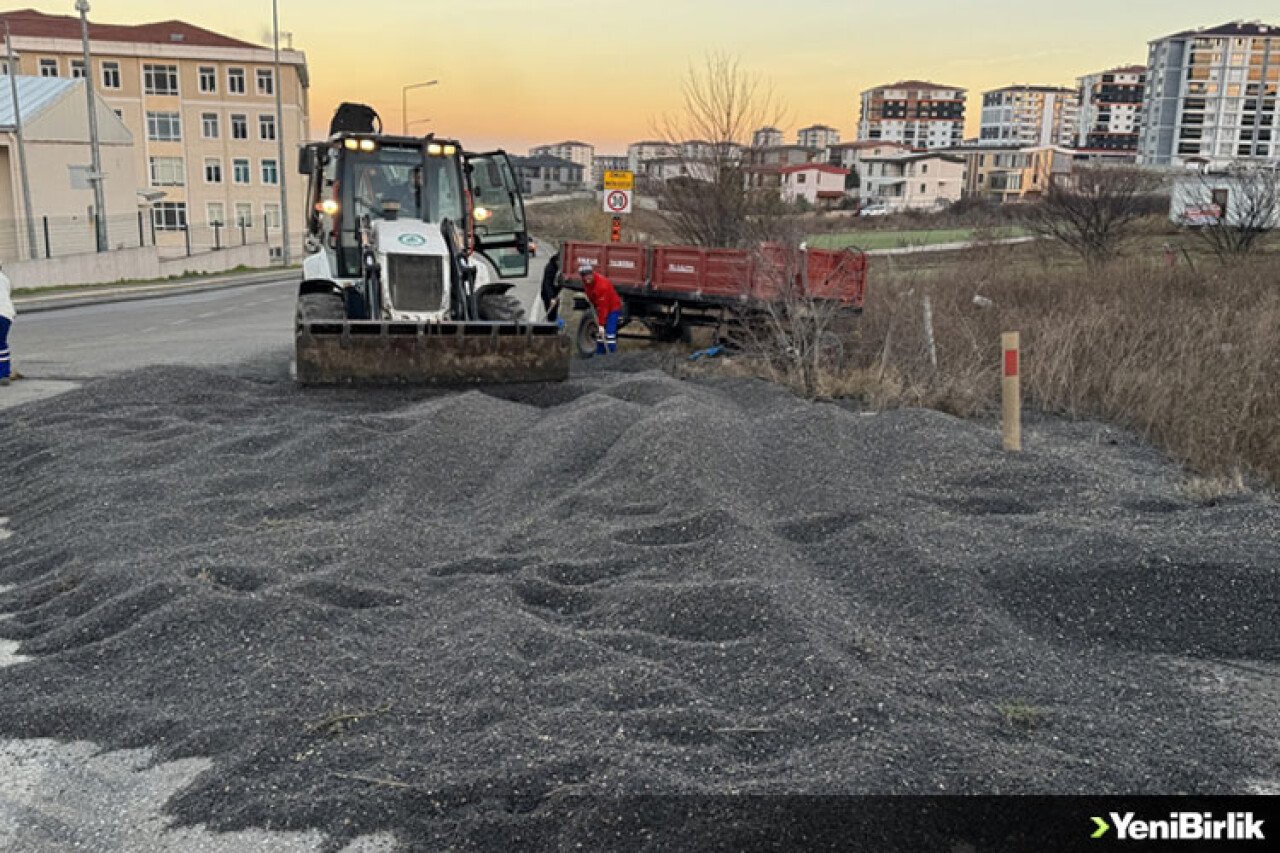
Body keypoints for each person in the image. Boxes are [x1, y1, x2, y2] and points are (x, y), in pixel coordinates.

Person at [580, 262, 621, 354]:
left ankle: (611, 356)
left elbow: (604, 307)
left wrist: (602, 324)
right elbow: (591, 294)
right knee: (599, 335)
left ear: (592, 273)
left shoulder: (601, 285)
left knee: (609, 334)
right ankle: (599, 356)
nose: (587, 277)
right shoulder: (586, 282)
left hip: (612, 308)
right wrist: (590, 299)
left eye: (589, 275)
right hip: (600, 307)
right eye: (585, 276)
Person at [0, 262, 14, 386]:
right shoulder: (5, 279)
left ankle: (3, 373)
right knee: (1, 343)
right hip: (6, 314)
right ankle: (4, 373)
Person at [540, 252, 562, 323]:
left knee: (555, 312)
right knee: (551, 313)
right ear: (556, 260)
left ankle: (556, 324)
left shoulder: (560, 268)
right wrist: (551, 298)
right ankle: (550, 327)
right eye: (559, 262)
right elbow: (547, 285)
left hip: (555, 293)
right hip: (547, 294)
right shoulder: (550, 268)